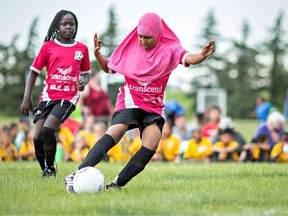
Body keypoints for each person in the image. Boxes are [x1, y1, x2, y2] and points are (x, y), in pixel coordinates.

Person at [64, 12, 215, 192]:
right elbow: (109, 68)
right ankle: (77, 174)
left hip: (153, 105)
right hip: (131, 99)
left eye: (148, 37)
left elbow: (189, 57)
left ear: (158, 34)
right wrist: (98, 55)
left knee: (151, 143)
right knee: (116, 131)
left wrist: (202, 55)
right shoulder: (131, 47)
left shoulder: (170, 48)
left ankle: (116, 185)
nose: (143, 41)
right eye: (140, 36)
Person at [19, 10, 91, 177]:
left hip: (68, 97)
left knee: (48, 130)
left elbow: (86, 73)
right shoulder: (48, 47)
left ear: (76, 26)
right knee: (37, 136)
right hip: (48, 96)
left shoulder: (82, 49)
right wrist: (26, 98)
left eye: (71, 24)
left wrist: (84, 81)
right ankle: (45, 169)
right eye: (64, 24)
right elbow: (33, 72)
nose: (68, 27)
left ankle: (50, 169)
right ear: (58, 26)